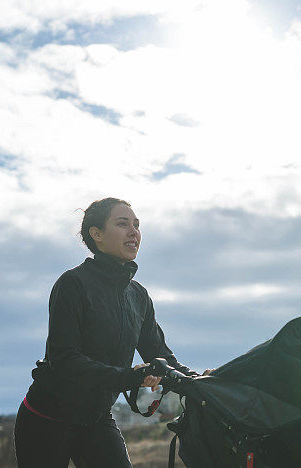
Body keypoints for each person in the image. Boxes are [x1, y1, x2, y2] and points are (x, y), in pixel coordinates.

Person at [14, 197, 202, 467]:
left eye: (136, 225)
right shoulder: (72, 284)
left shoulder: (138, 296)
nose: (133, 231)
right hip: (47, 419)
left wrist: (197, 380)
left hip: (96, 419)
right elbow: (65, 359)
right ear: (97, 234)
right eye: (122, 224)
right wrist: (131, 377)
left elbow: (161, 356)